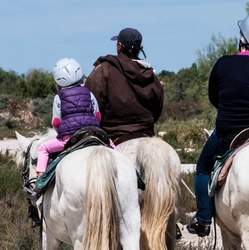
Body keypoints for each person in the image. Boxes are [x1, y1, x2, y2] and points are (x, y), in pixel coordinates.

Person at [188, 14, 249, 237]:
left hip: (227, 134)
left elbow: (214, 97)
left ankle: (203, 219)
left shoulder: (223, 63)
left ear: (243, 37)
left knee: (201, 169)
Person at [84, 28, 164, 146]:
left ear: (119, 45)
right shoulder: (150, 74)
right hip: (146, 133)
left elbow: (91, 102)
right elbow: (158, 106)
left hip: (112, 136)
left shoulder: (104, 69)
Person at [30, 57, 101, 187]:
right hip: (92, 135)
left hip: (69, 139)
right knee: (111, 146)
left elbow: (56, 122)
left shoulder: (59, 97)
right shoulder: (89, 93)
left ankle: (40, 179)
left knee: (43, 148)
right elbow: (97, 116)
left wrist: (61, 133)